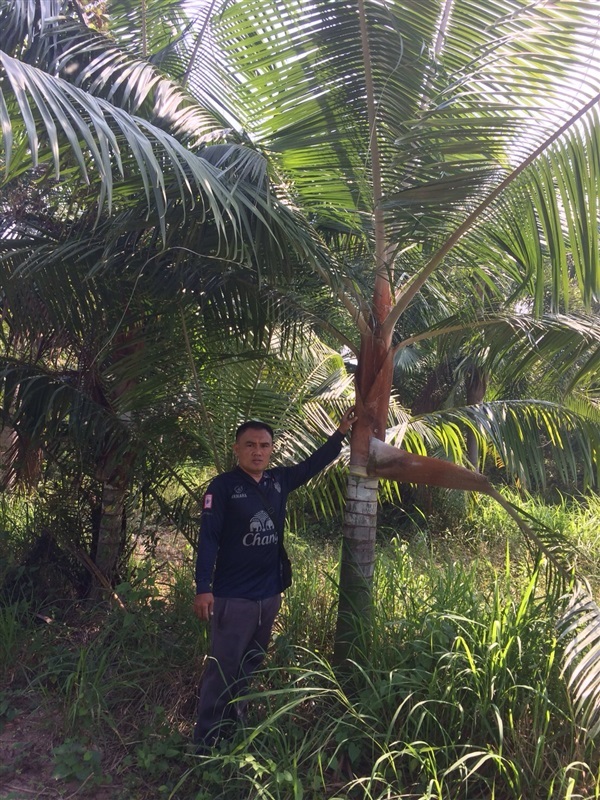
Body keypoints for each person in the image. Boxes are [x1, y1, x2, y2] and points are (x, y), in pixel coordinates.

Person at [192, 407, 357, 750]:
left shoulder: (278, 481)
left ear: (272, 449)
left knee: (250, 665)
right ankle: (205, 740)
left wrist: (341, 432)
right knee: (222, 669)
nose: (258, 451)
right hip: (232, 596)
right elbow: (207, 539)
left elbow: (313, 465)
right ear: (236, 449)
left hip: (268, 595)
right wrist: (203, 588)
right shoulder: (222, 487)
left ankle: (234, 730)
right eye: (250, 445)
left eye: (264, 445)